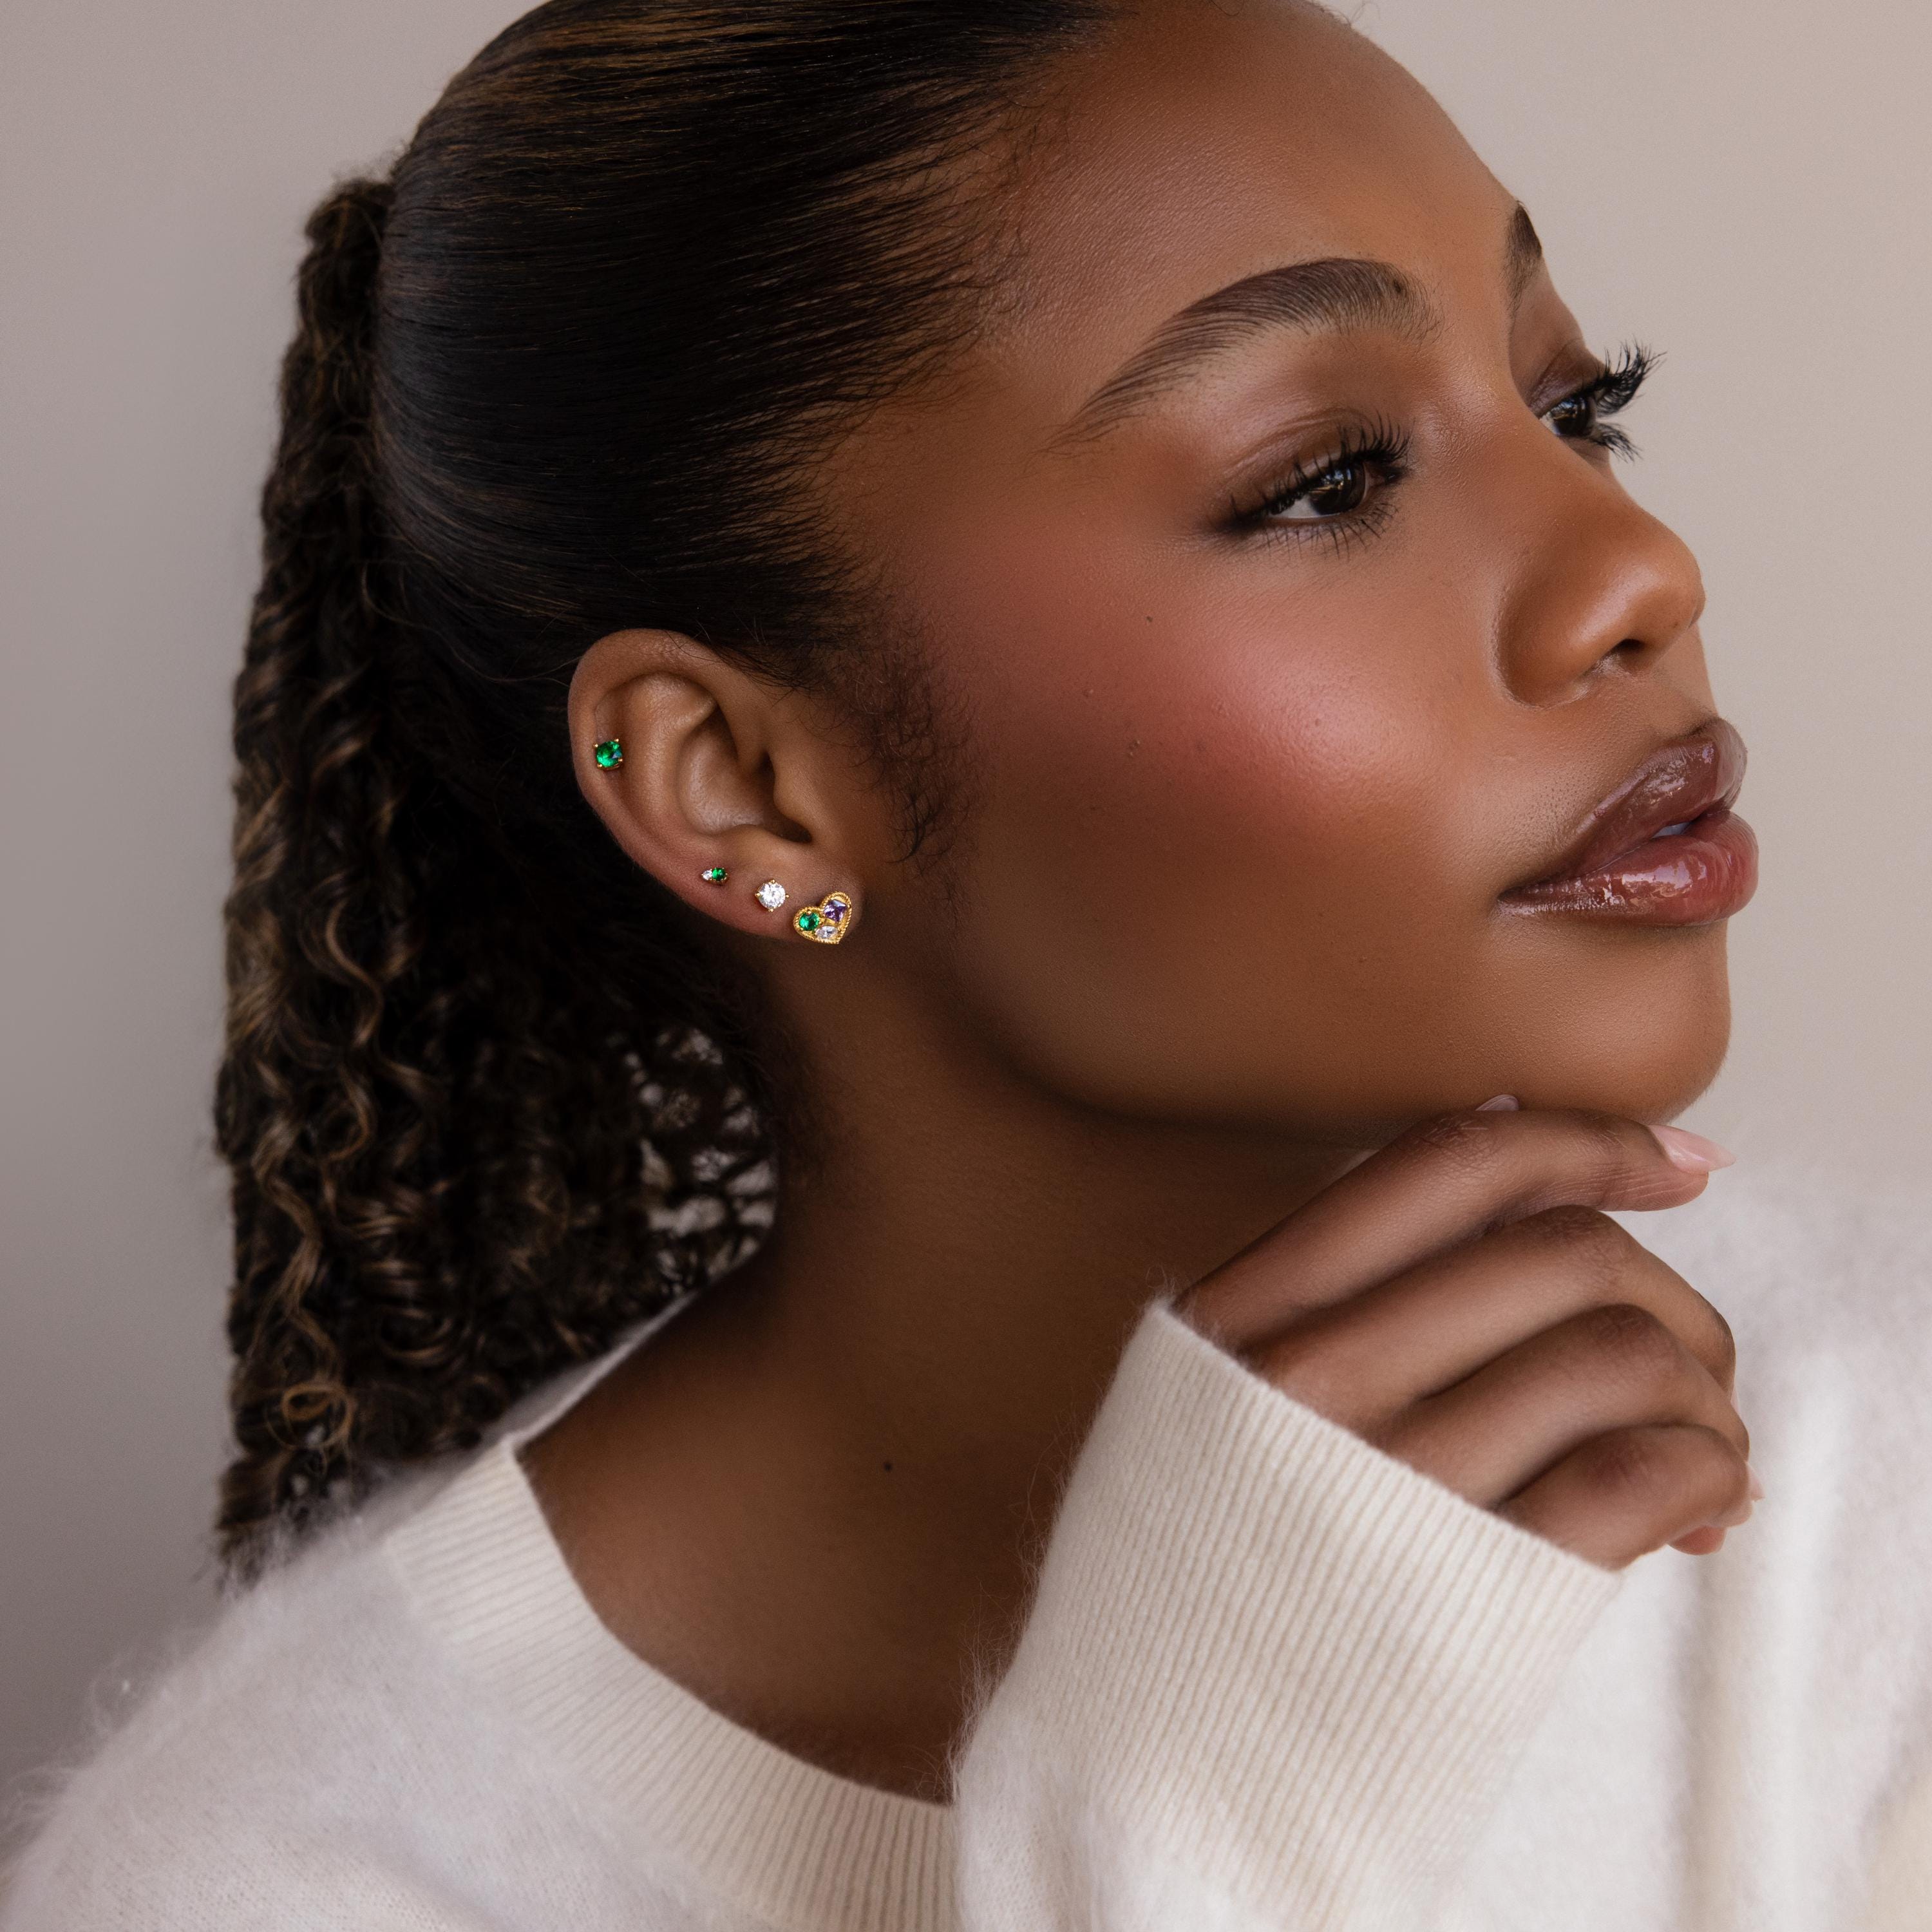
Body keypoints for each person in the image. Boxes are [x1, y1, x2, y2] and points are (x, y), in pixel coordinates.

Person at [5, 1, 1928, 1926]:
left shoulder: (1859, 1472)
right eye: (1327, 479)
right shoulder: (285, 1878)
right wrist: (1193, 1834)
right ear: (746, 792)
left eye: (1579, 404)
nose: (1637, 570)